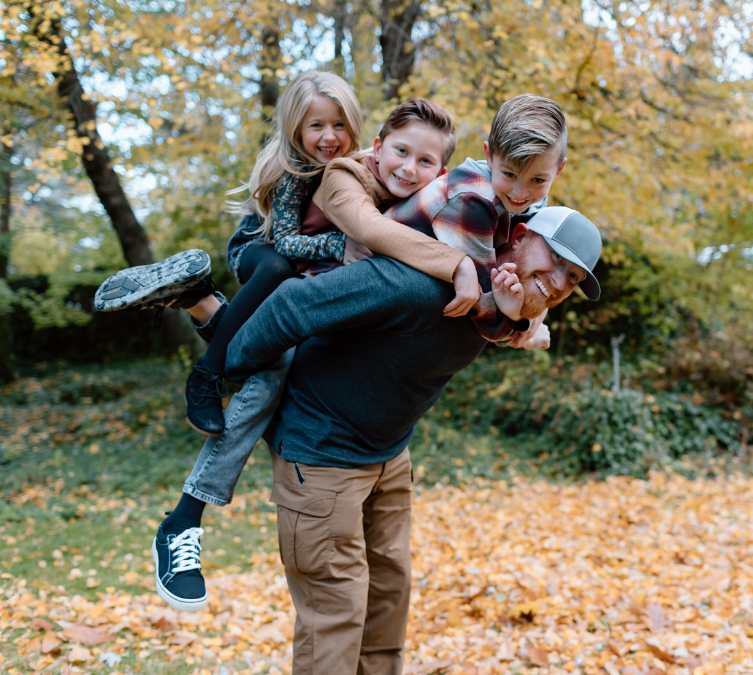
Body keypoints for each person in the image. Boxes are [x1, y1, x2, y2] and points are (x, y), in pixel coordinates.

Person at [142, 99, 499, 612]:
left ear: (440, 173)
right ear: (376, 146)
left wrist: (524, 315)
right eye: (401, 152)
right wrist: (454, 264)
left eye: (425, 161)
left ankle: (202, 305)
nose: (409, 167)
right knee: (267, 376)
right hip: (271, 273)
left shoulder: (420, 202)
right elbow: (361, 229)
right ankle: (184, 515)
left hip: (318, 328)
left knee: (272, 369)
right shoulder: (342, 175)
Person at [222, 204, 603, 675]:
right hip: (322, 454)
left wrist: (529, 322)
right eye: (556, 260)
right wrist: (222, 379)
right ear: (519, 236)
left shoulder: (503, 307)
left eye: (573, 278)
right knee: (335, 617)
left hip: (389, 454)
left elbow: (527, 312)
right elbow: (292, 305)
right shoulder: (423, 283)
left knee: (387, 602)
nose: (560, 283)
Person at [93, 70, 364, 436]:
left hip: (300, 259)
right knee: (278, 268)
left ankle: (196, 297)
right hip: (256, 248)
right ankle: (205, 375)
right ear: (296, 128)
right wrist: (338, 245)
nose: (330, 136)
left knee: (265, 337)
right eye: (316, 125)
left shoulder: (356, 168)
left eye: (339, 125)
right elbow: (286, 243)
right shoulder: (294, 172)